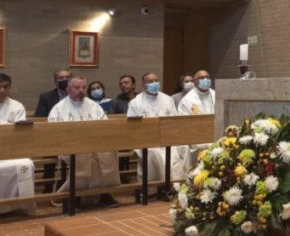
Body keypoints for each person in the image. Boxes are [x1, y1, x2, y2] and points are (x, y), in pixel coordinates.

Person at [47, 76, 120, 208]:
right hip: (69, 146)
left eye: (84, 87)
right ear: (68, 89)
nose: (81, 90)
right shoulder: (58, 108)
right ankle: (77, 196)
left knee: (108, 153)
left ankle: (103, 193)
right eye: (77, 87)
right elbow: (53, 132)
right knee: (84, 155)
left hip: (94, 144)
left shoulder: (94, 106)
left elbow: (105, 125)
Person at [128, 72, 189, 183]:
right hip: (147, 141)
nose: (155, 83)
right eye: (151, 81)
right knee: (154, 154)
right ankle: (154, 187)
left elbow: (175, 121)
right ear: (144, 84)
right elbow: (133, 128)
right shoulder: (135, 103)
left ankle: (176, 184)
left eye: (156, 80)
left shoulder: (167, 99)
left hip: (168, 139)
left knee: (184, 148)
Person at [0, 73, 35, 214]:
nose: (2, 90)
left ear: (10, 88)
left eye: (5, 87)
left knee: (26, 165)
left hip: (11, 150)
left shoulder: (17, 106)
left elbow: (20, 132)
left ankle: (20, 205)